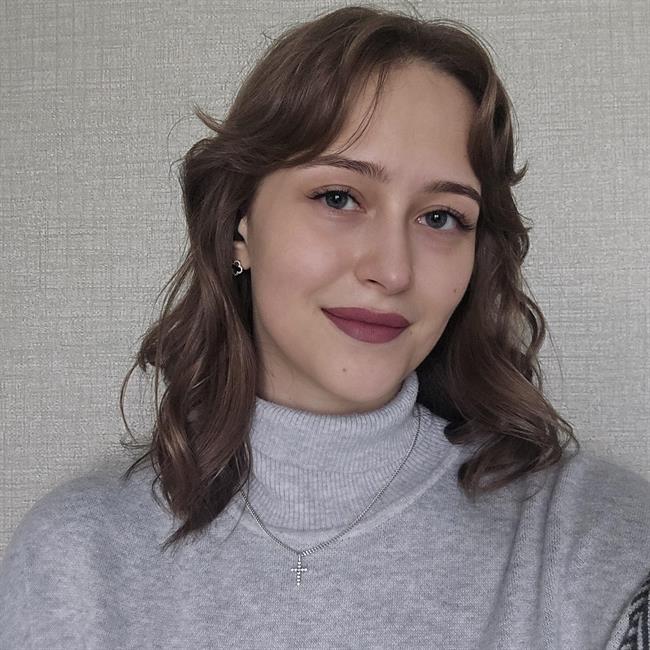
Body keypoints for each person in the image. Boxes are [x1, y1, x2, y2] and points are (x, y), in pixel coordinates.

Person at [0, 5, 648, 649]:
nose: (392, 270)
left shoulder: (599, 551)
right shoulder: (77, 563)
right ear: (239, 226)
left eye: (441, 217)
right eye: (339, 198)